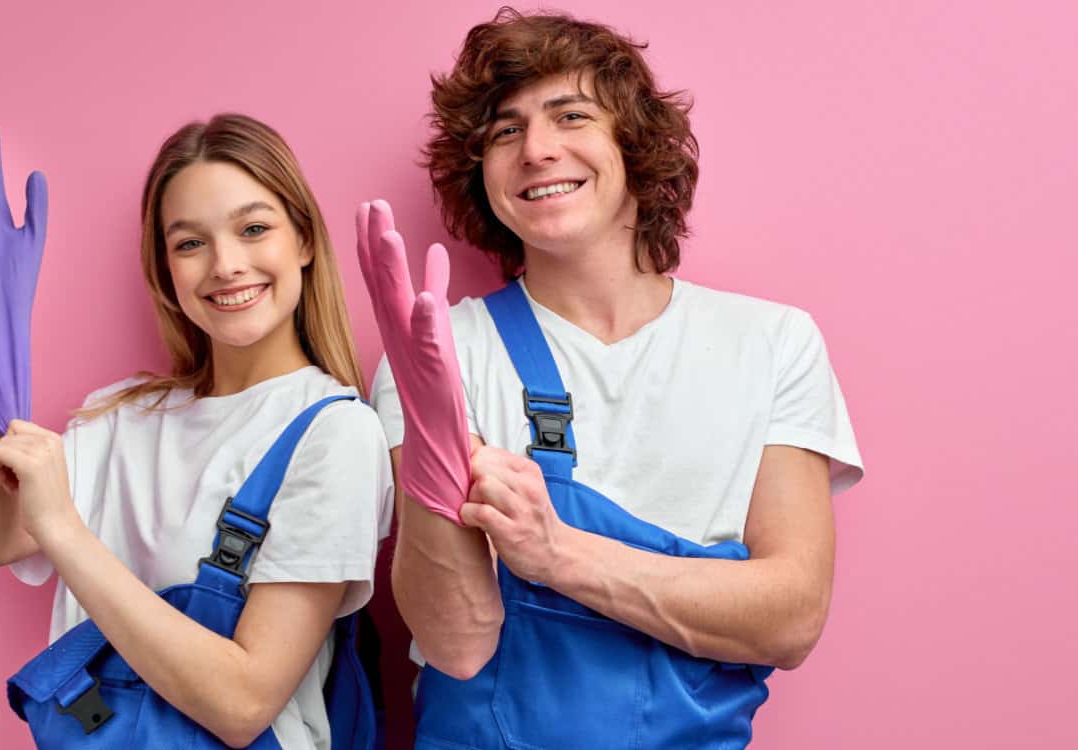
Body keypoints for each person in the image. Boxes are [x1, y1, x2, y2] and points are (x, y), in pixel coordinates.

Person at [360, 9, 864, 748]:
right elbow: (458, 643)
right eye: (505, 131)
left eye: (571, 116)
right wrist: (432, 442)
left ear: (635, 146)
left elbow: (789, 620)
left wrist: (554, 554)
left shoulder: (771, 343)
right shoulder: (439, 349)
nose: (536, 149)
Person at [0, 113, 392, 749]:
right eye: (190, 243)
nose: (225, 264)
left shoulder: (335, 434)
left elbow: (244, 703)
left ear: (303, 240)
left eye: (253, 229)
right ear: (165, 269)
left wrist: (63, 529)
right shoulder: (119, 418)